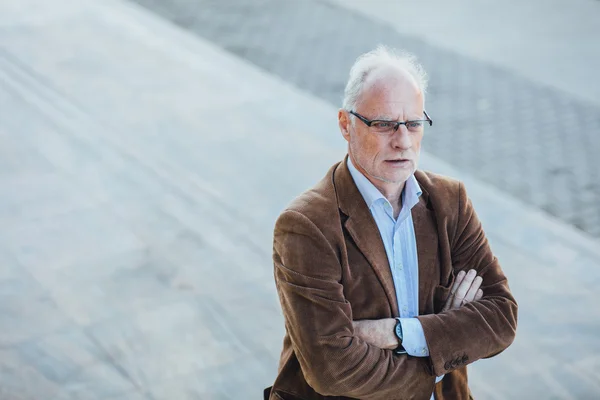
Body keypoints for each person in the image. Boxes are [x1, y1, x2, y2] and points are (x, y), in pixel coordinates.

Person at [264, 46, 517, 400]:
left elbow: (501, 317)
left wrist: (400, 333)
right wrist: (442, 341)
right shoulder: (306, 225)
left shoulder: (450, 202)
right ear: (345, 124)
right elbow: (332, 369)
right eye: (383, 124)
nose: (402, 141)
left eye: (413, 124)